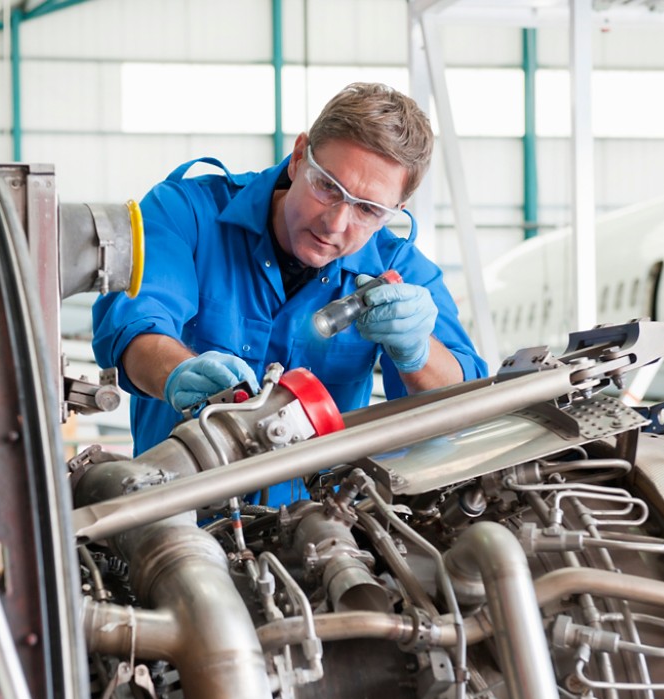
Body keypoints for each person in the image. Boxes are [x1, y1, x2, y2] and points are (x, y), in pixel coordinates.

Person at [92, 82, 487, 464]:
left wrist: (419, 352)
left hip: (322, 520)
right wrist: (175, 371)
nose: (335, 223)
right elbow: (134, 327)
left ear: (396, 211)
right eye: (328, 187)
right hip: (176, 509)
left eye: (367, 209)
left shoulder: (398, 269)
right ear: (299, 157)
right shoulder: (186, 214)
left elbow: (464, 403)